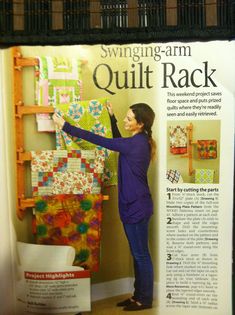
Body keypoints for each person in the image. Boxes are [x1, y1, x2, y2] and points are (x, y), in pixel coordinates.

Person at [53, 102, 156, 311]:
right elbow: (119, 141)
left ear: (140, 124)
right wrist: (112, 118)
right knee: (138, 253)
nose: (126, 121)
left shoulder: (136, 144)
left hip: (137, 206)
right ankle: (138, 295)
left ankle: (144, 299)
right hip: (134, 204)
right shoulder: (139, 140)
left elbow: (100, 140)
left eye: (129, 119)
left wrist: (65, 126)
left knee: (141, 255)